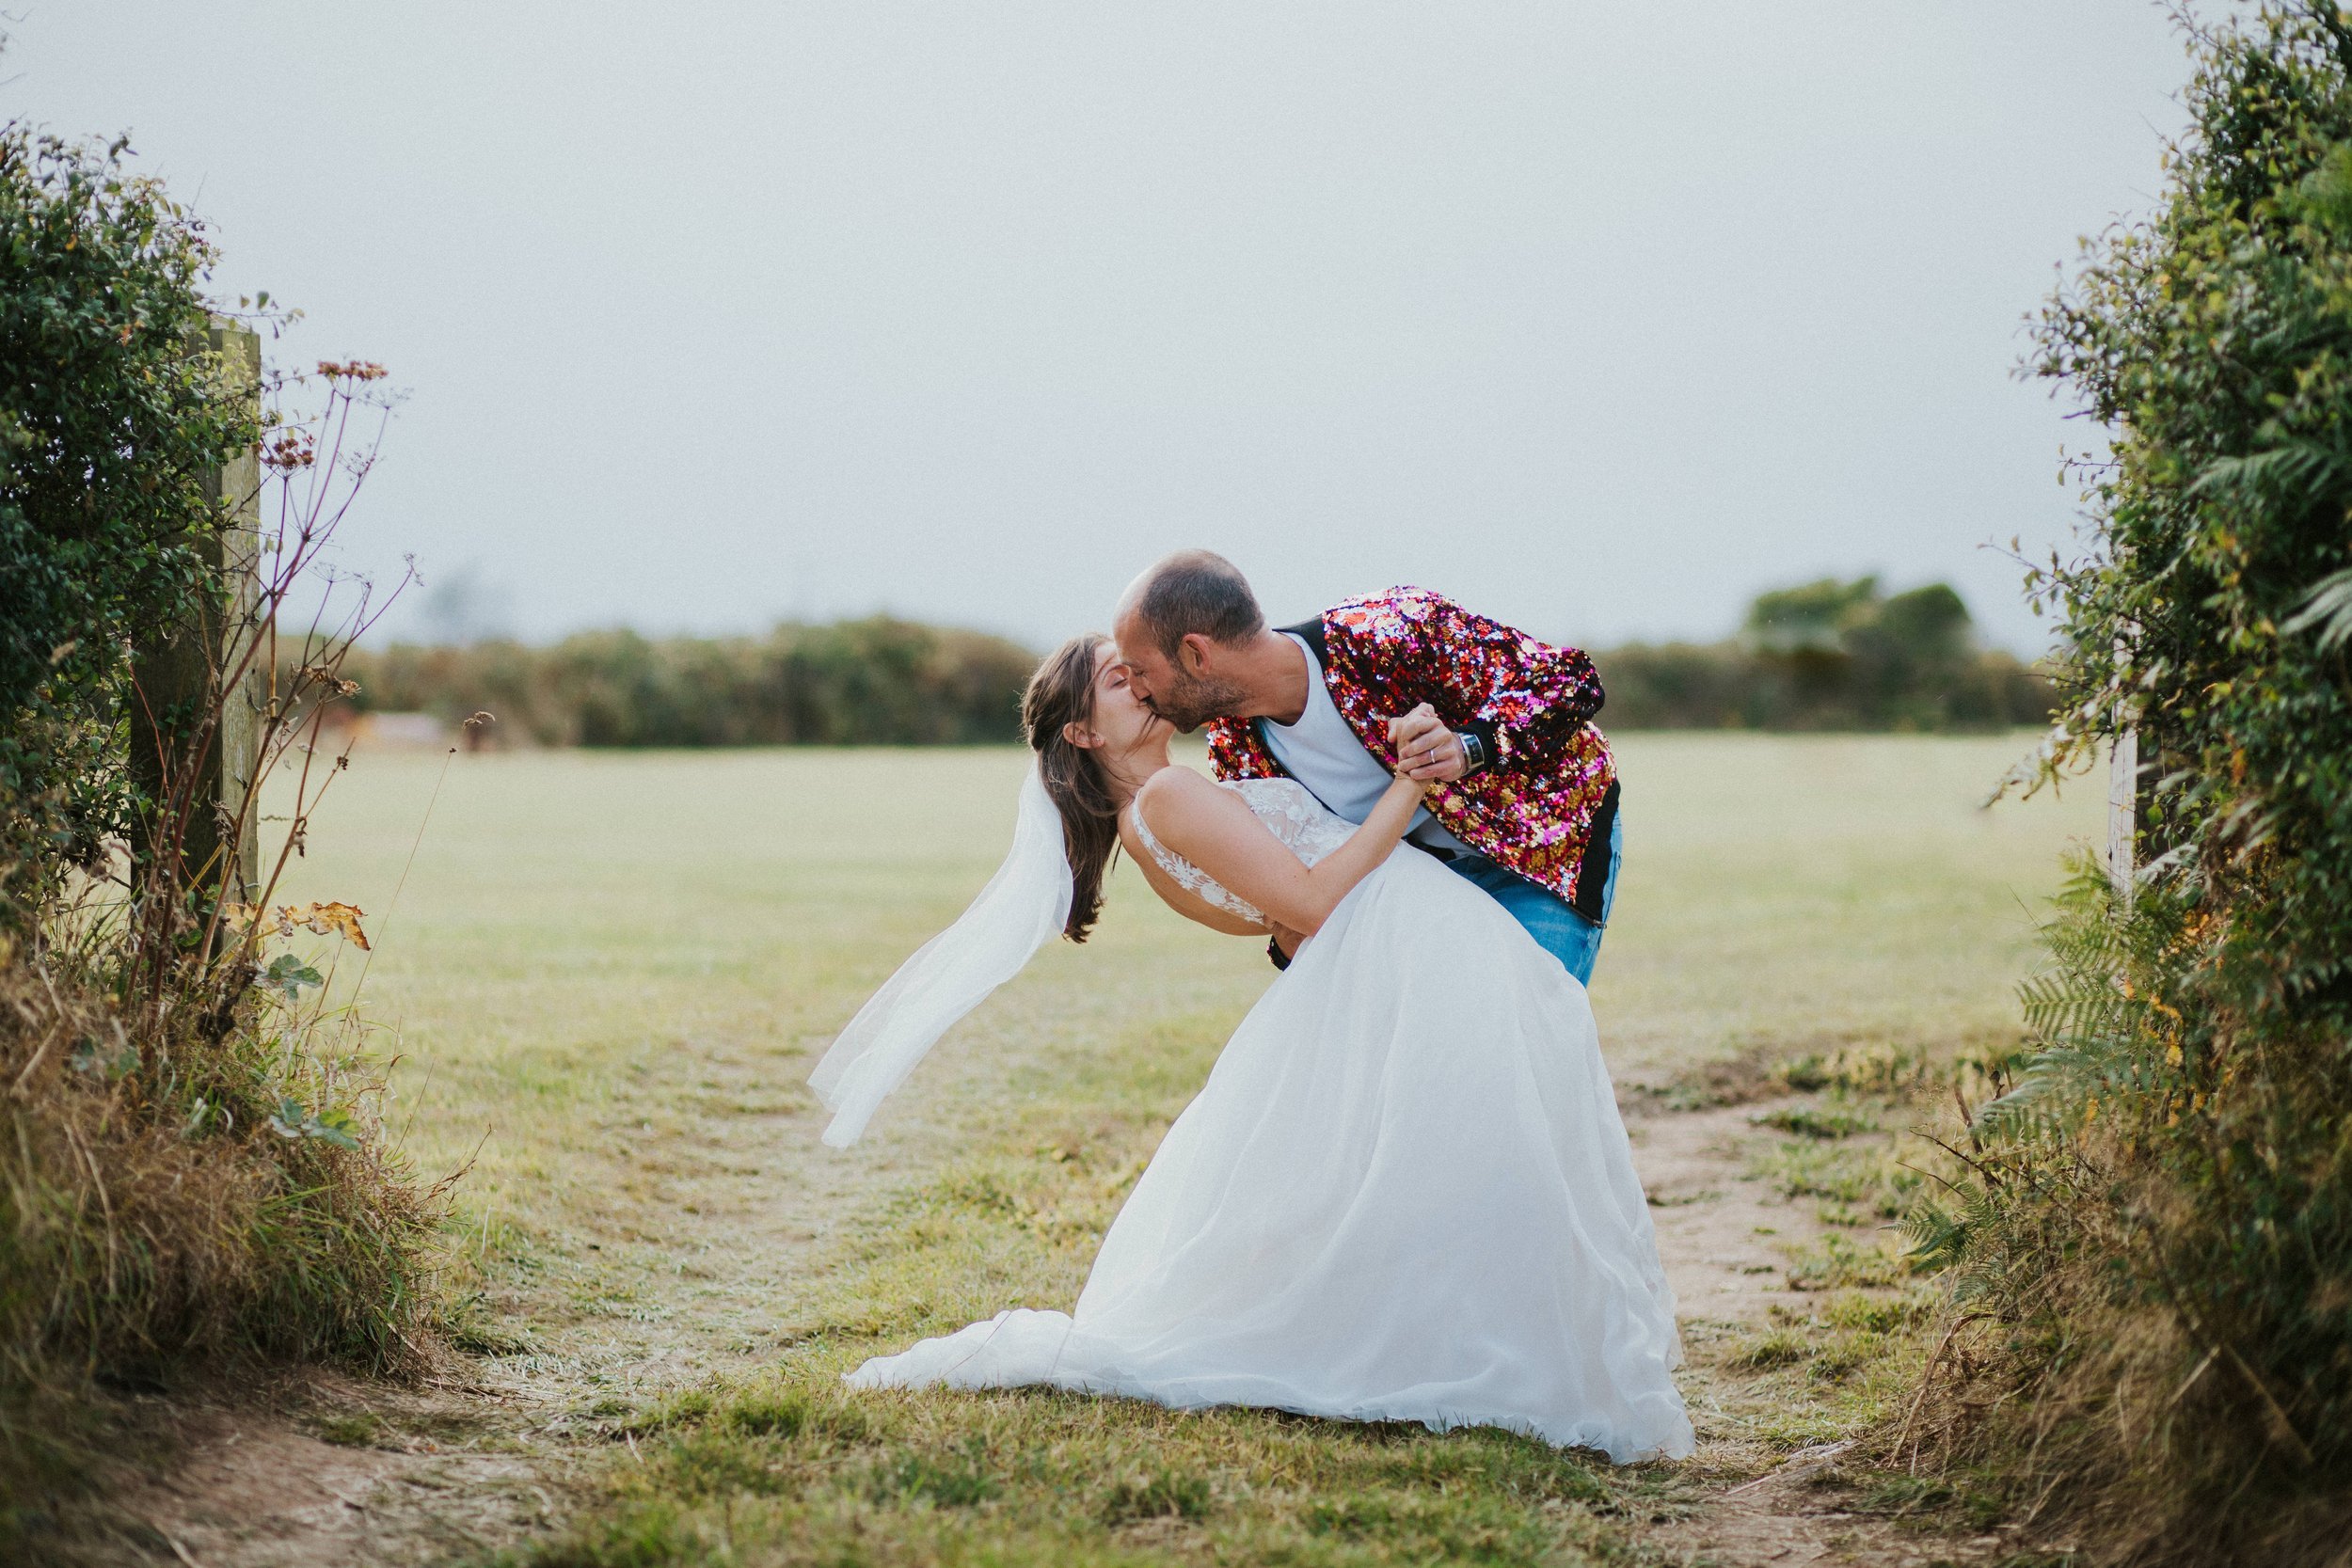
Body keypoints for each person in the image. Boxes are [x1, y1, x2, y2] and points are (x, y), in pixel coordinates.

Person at [807, 634, 1690, 1463]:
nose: (1144, 682)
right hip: (1405, 936)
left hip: (1390, 950)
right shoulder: (1169, 798)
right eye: (1120, 681)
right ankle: (1494, 1345)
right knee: (1496, 1142)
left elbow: (1287, 926)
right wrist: (1413, 784)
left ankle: (1469, 1336)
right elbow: (1307, 908)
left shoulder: (1153, 825)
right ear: (1082, 728)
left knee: (1451, 1152)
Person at [1113, 550, 1621, 983]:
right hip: (1422, 894)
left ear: (1195, 653)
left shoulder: (1390, 629)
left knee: (1527, 1039)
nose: (1137, 690)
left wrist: (1469, 746)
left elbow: (1566, 679)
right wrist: (1288, 950)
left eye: (1140, 670)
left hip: (1540, 854)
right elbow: (1301, 877)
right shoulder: (1234, 746)